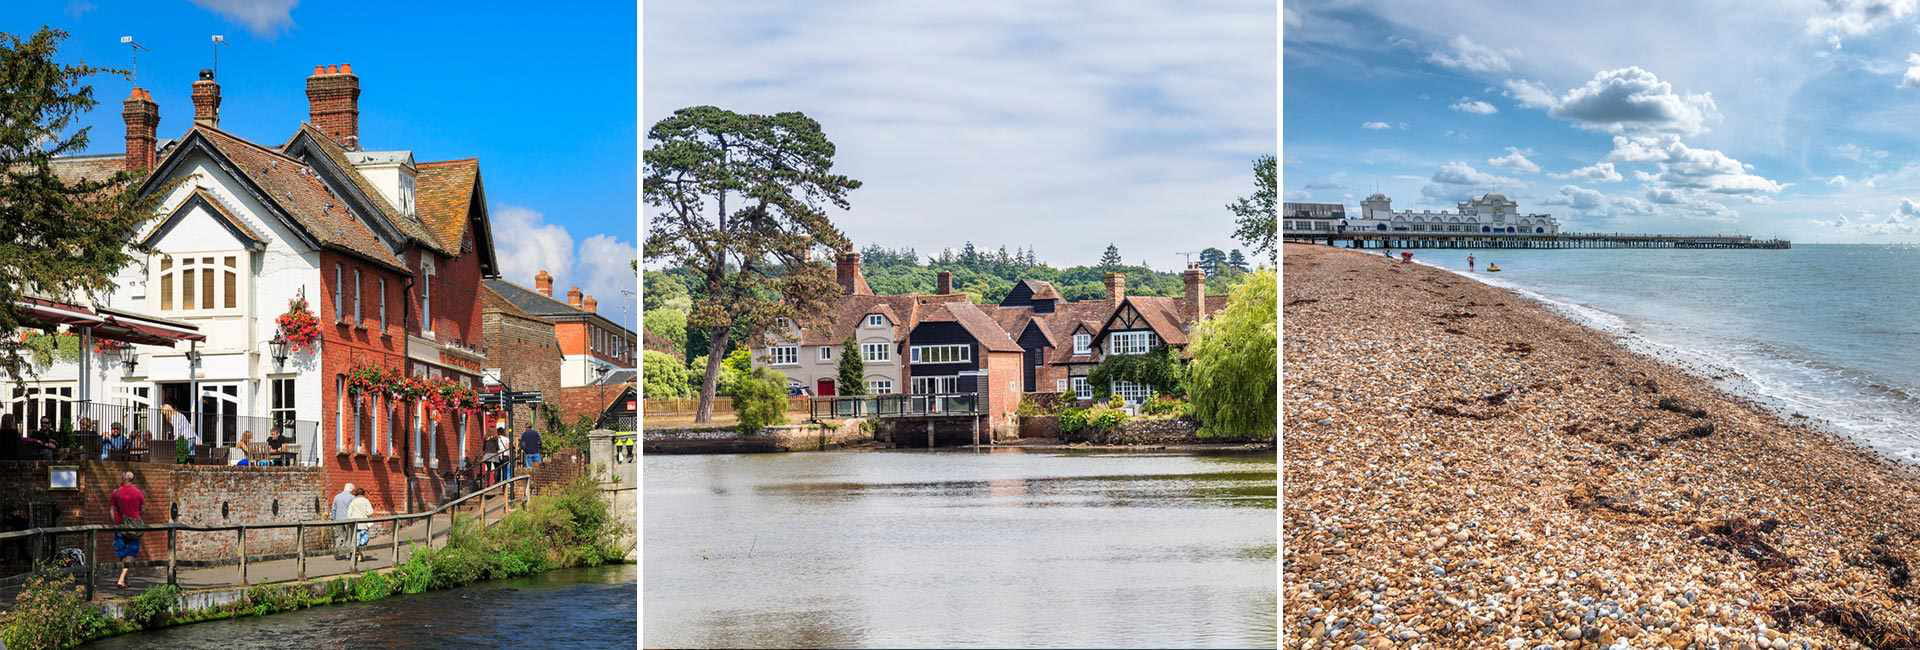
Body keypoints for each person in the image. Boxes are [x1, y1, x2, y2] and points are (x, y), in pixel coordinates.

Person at [109, 471, 145, 589]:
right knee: (131, 552)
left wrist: (116, 524)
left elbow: (112, 511)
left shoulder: (116, 492)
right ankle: (122, 578)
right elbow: (142, 510)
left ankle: (123, 578)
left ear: (123, 478)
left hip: (120, 526)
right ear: (132, 479)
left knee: (122, 551)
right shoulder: (139, 493)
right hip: (134, 527)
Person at [331, 483, 356, 560]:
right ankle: (348, 555)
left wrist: (333, 519)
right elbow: (354, 510)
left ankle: (337, 554)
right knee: (348, 537)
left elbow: (333, 509)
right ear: (351, 489)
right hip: (348, 520)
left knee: (339, 537)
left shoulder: (337, 497)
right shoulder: (352, 497)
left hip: (338, 519)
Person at [348, 487, 374, 562]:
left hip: (355, 523)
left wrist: (351, 520)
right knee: (364, 540)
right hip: (363, 523)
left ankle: (358, 554)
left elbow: (349, 513)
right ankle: (359, 553)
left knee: (356, 539)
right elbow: (370, 512)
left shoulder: (353, 501)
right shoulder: (366, 501)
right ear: (363, 493)